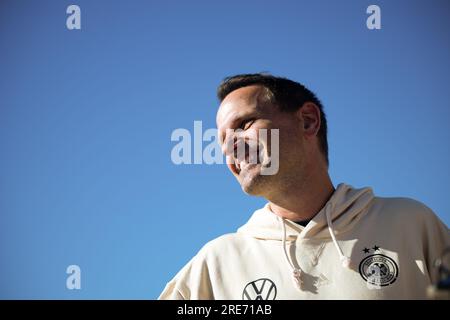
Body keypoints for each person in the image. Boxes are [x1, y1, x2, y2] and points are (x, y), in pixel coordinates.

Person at [159, 73, 450, 299]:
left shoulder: (411, 223)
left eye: (244, 125)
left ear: (308, 121)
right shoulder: (216, 264)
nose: (231, 149)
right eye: (223, 143)